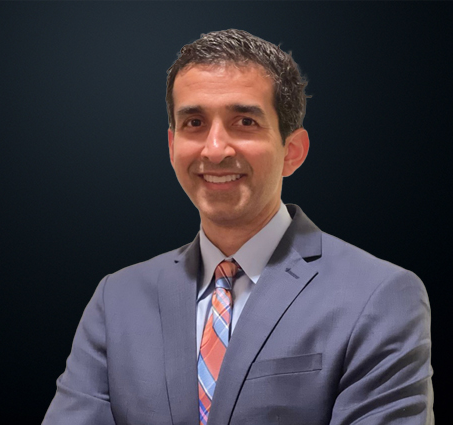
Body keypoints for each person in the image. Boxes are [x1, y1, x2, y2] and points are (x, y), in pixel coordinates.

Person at [42, 29, 433, 425]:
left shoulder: (379, 296)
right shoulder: (116, 300)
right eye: (194, 122)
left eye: (245, 121)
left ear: (292, 151)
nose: (214, 149)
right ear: (172, 146)